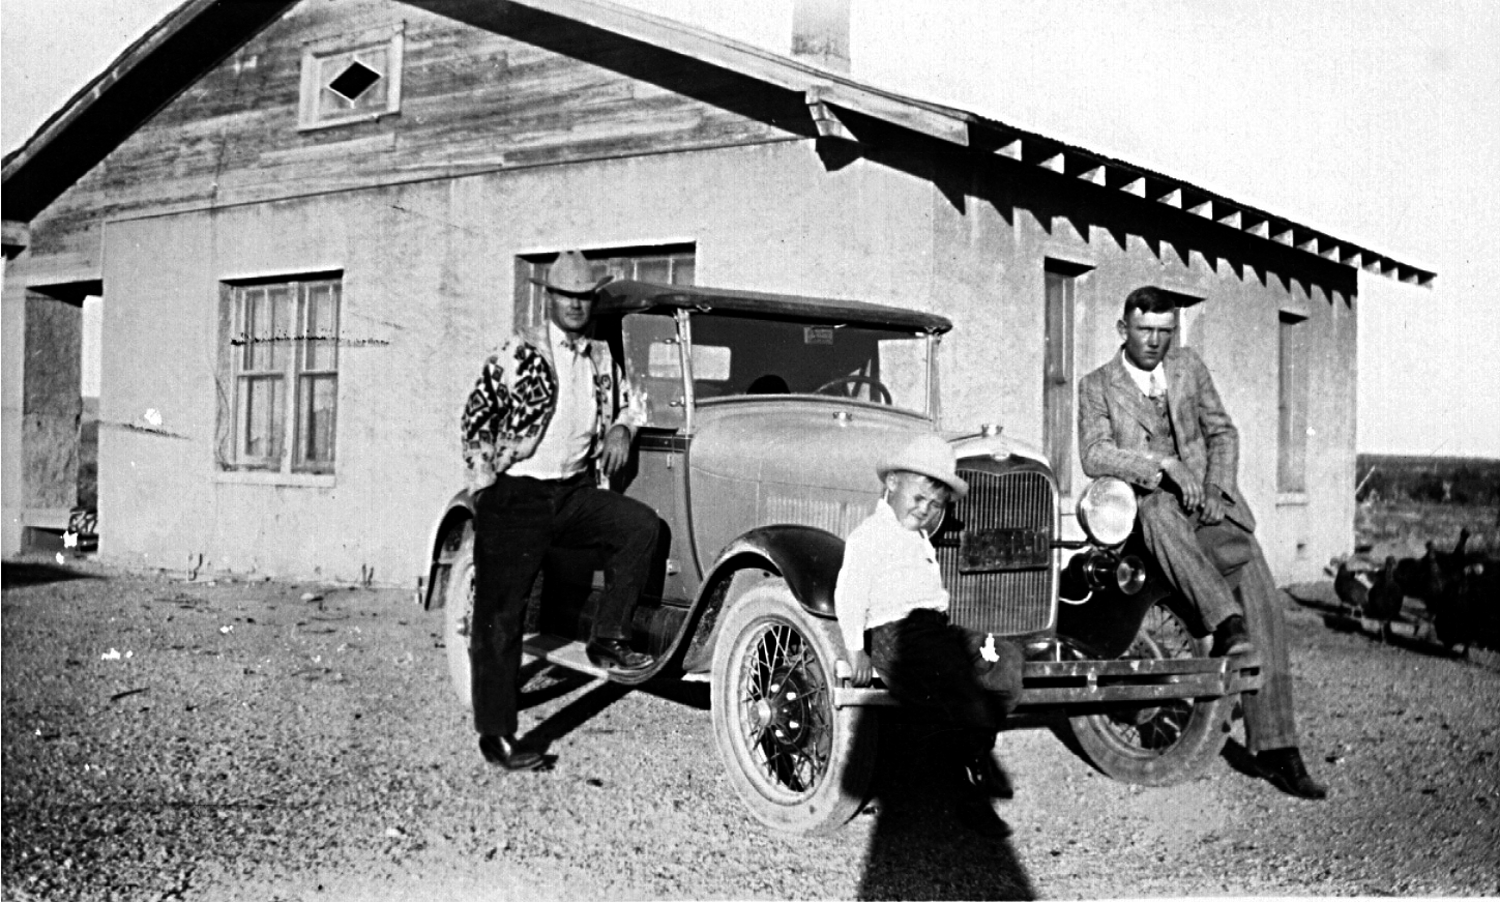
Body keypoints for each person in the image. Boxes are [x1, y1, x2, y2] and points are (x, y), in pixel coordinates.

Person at [1077, 285, 1328, 799]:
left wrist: (1217, 487)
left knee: (1259, 589)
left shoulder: (1190, 368)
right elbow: (1095, 454)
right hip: (1150, 507)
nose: (1155, 342)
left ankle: (1279, 749)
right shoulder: (1097, 385)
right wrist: (1161, 465)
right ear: (1123, 330)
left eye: (1165, 332)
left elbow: (1223, 433)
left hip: (1206, 504)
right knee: (1157, 512)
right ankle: (1225, 623)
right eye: (1145, 331)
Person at [460, 249, 658, 771]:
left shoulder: (598, 356)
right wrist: (484, 487)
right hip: (518, 494)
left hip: (570, 492)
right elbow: (478, 414)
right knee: (500, 617)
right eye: (567, 296)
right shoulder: (517, 351)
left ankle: (607, 638)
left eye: (584, 297)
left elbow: (633, 401)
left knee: (638, 526)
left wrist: (622, 428)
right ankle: (497, 735)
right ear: (550, 298)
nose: (576, 305)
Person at [835, 433, 1025, 813]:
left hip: (936, 631)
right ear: (891, 483)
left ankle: (974, 751)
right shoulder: (870, 536)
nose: (924, 510)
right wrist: (855, 649)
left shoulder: (919, 538)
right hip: (897, 634)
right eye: (918, 498)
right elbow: (849, 593)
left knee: (1006, 660)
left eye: (934, 505)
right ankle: (944, 771)